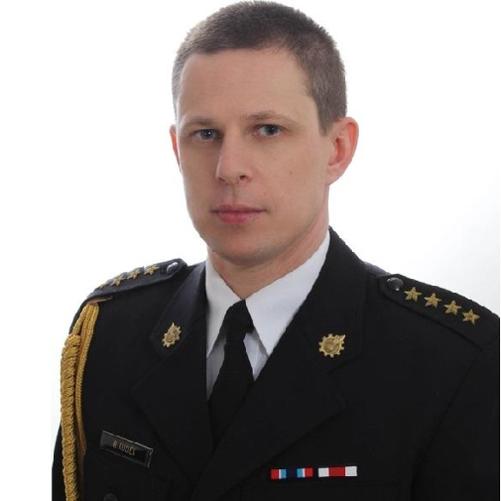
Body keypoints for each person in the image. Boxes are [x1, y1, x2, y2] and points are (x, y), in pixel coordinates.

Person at [52, 2, 499, 500]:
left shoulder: (452, 365)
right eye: (205, 134)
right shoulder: (111, 335)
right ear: (177, 150)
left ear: (337, 149)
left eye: (267, 129)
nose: (229, 168)